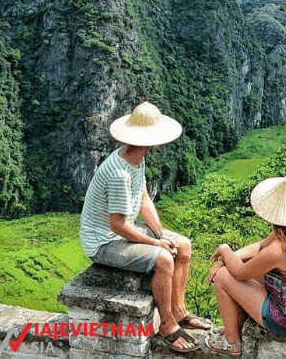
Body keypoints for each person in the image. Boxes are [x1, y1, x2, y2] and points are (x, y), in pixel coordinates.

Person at [79, 102, 212, 354]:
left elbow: (144, 200)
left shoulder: (135, 159)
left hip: (124, 229)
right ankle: (167, 326)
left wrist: (160, 234)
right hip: (103, 242)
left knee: (182, 245)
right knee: (163, 259)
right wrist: (156, 244)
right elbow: (117, 226)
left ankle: (179, 311)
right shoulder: (120, 173)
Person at [206, 177, 286, 356]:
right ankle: (234, 325)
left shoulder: (280, 248)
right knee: (238, 265)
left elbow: (239, 273)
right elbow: (260, 247)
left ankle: (231, 343)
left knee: (223, 276)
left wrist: (225, 250)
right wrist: (230, 258)